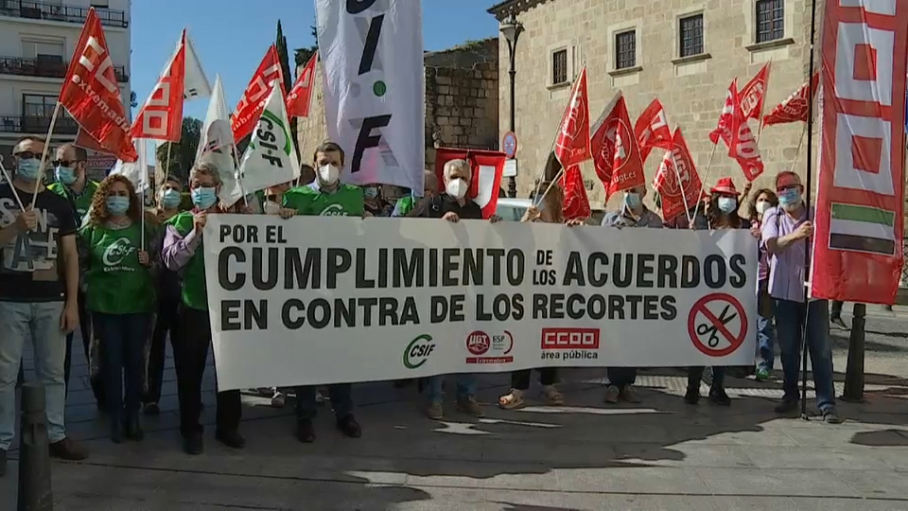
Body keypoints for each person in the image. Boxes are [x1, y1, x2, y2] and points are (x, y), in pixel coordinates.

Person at [0, 136, 88, 476]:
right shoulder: (2, 195)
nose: (33, 160)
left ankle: (56, 435)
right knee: (5, 376)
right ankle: (3, 442)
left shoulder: (58, 203)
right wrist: (14, 228)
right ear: (13, 158)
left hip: (52, 301)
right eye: (26, 155)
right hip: (8, 300)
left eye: (39, 155)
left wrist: (72, 303)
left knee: (54, 373)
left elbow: (69, 256)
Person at [282, 141, 364, 443]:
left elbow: (362, 234)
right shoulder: (296, 197)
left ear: (342, 165)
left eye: (333, 161)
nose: (327, 166)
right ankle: (305, 416)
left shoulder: (355, 196)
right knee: (308, 354)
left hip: (343, 288)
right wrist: (284, 219)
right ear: (314, 165)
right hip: (307, 288)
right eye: (322, 161)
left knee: (341, 354)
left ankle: (344, 413)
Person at [162, 161, 246, 454]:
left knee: (230, 371)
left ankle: (228, 427)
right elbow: (172, 261)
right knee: (190, 371)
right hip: (194, 306)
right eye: (196, 185)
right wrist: (195, 234)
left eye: (206, 185)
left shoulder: (235, 220)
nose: (201, 191)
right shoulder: (181, 222)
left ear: (219, 189)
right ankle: (190, 429)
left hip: (229, 308)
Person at [408, 158, 502, 420]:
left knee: (466, 344)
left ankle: (466, 396)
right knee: (438, 344)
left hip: (466, 287)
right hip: (437, 287)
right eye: (453, 177)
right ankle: (434, 399)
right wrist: (438, 225)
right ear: (444, 179)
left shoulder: (474, 209)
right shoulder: (431, 204)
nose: (458, 183)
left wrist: (493, 227)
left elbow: (481, 242)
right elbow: (405, 231)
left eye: (463, 178)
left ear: (470, 182)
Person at [761, 171, 841, 423]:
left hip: (813, 292)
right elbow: (772, 245)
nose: (786, 193)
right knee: (788, 348)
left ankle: (826, 402)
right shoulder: (772, 215)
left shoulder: (817, 215)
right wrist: (797, 235)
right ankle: (790, 395)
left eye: (790, 187)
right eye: (781, 188)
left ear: (801, 188)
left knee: (820, 349)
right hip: (783, 293)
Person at [81, 175, 156, 442]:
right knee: (109, 363)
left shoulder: (144, 227)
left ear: (131, 197)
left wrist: (149, 263)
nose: (117, 198)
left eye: (123, 193)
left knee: (135, 362)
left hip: (138, 305)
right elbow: (77, 262)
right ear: (103, 197)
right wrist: (85, 286)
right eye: (112, 193)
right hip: (105, 307)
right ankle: (114, 416)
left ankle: (132, 415)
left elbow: (163, 262)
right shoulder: (92, 229)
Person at [498, 182, 582, 410]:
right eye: (535, 195)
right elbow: (511, 244)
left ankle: (549, 385)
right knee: (525, 338)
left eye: (543, 195)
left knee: (551, 339)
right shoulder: (530, 223)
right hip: (528, 292)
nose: (538, 199)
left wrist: (577, 230)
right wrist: (525, 222)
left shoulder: (563, 226)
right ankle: (518, 390)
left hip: (554, 292)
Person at [684, 178, 748, 406]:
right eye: (723, 196)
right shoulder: (703, 225)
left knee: (722, 343)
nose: (727, 201)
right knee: (700, 341)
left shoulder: (744, 227)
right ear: (715, 199)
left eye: (731, 197)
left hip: (730, 291)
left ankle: (717, 387)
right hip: (703, 290)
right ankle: (692, 386)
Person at [599, 184, 662, 404]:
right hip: (616, 288)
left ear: (644, 193)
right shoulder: (610, 220)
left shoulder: (654, 222)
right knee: (616, 336)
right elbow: (597, 247)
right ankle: (614, 384)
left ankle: (628, 384)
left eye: (634, 190)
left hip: (642, 289)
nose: (630, 194)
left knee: (634, 337)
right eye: (626, 189)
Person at [48, 143, 101, 404]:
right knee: (60, 352)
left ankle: (105, 401)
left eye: (65, 163)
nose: (59, 169)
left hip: (93, 280)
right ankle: (58, 407)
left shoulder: (100, 195)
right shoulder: (48, 195)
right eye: (56, 163)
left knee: (98, 347)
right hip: (60, 281)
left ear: (82, 165)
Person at [144, 176, 184, 415]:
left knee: (184, 350)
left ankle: (188, 397)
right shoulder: (146, 220)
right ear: (157, 195)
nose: (170, 192)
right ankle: (151, 397)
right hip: (152, 293)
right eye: (165, 188)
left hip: (180, 293)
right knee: (153, 348)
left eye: (175, 189)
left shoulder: (186, 220)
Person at [747, 188, 779, 381]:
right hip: (747, 281)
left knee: (764, 325)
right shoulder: (748, 224)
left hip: (766, 281)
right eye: (760, 199)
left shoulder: (775, 224)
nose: (763, 202)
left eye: (767, 200)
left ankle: (764, 364)